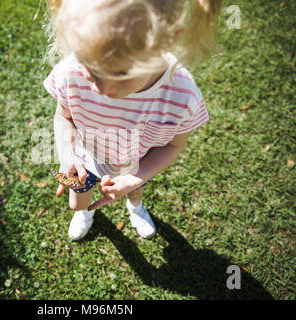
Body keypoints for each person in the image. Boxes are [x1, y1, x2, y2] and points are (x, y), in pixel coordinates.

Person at [44, 0, 222, 240]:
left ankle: (135, 207)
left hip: (135, 165)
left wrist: (132, 179)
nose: (100, 89)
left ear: (166, 42)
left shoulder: (181, 96)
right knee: (77, 203)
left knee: (135, 191)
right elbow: (64, 117)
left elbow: (174, 145)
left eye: (119, 73)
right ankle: (86, 213)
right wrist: (67, 154)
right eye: (90, 68)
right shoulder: (71, 73)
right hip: (85, 159)